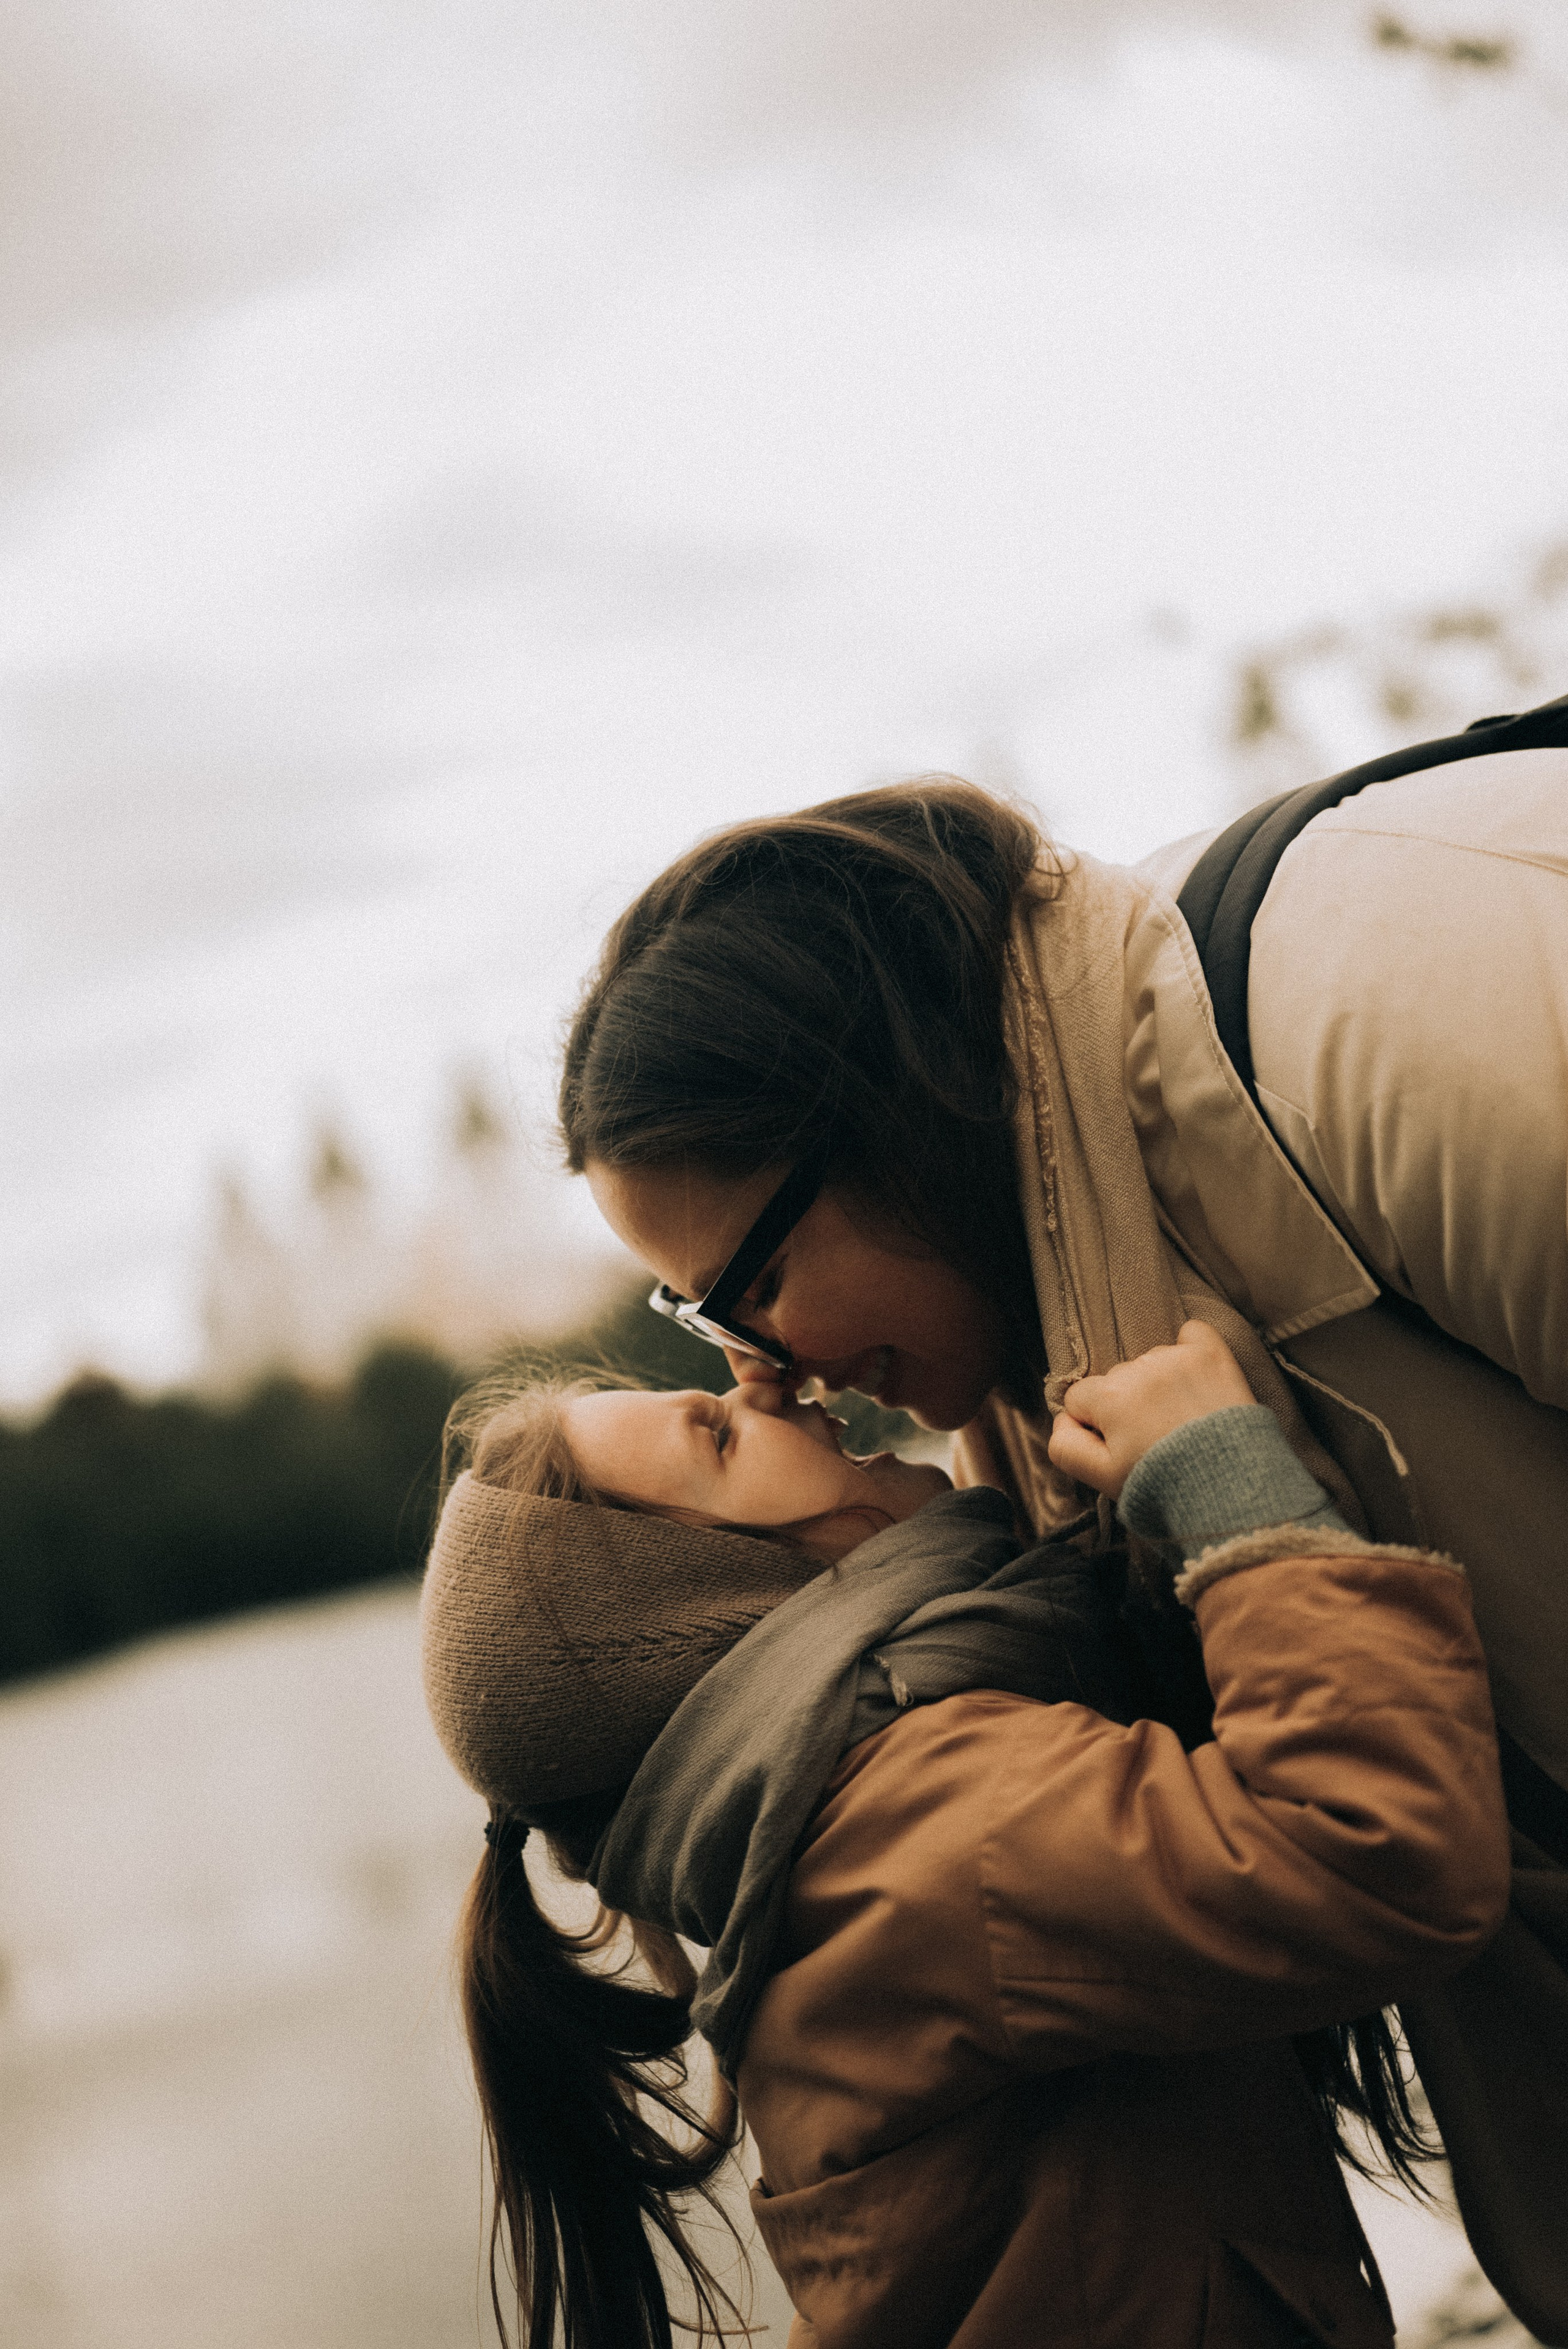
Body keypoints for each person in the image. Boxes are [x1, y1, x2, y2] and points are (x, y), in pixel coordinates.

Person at [559, 774, 1568, 2338]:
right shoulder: (1035, 1372)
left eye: (744, 1293)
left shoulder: (1372, 1013)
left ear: (882, 1109)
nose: (777, 1376)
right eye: (711, 1338)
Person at [420, 1322, 1509, 2349]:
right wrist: (1226, 1479)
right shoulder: (924, 1828)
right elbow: (1382, 1849)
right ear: (698, 1601)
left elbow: (987, 1579)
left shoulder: (854, 1818)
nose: (770, 1386)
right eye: (718, 1430)